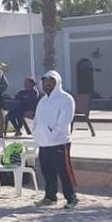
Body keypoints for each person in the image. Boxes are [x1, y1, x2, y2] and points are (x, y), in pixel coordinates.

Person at [33, 70, 78, 210]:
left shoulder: (66, 99)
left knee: (64, 171)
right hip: (44, 142)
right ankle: (50, 197)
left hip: (59, 142)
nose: (47, 84)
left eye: (51, 81)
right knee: (47, 171)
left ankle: (72, 198)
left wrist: (53, 133)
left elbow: (65, 120)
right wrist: (37, 133)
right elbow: (36, 119)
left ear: (56, 82)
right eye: (45, 82)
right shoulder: (42, 100)